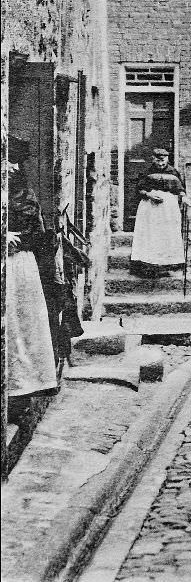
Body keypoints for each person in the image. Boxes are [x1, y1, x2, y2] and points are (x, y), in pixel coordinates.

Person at [6, 135, 58, 399]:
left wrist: (17, 239)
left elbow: (34, 228)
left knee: (21, 320)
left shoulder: (24, 192)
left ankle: (23, 381)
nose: (13, 168)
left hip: (17, 263)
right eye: (8, 161)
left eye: (16, 162)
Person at [130, 148, 189, 276]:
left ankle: (168, 264)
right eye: (158, 160)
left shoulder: (173, 172)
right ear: (153, 159)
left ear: (167, 159)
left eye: (163, 160)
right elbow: (139, 189)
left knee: (167, 233)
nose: (161, 163)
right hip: (150, 207)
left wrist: (184, 197)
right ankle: (148, 264)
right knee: (150, 234)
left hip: (168, 209)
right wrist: (149, 195)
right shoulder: (147, 172)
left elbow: (180, 189)